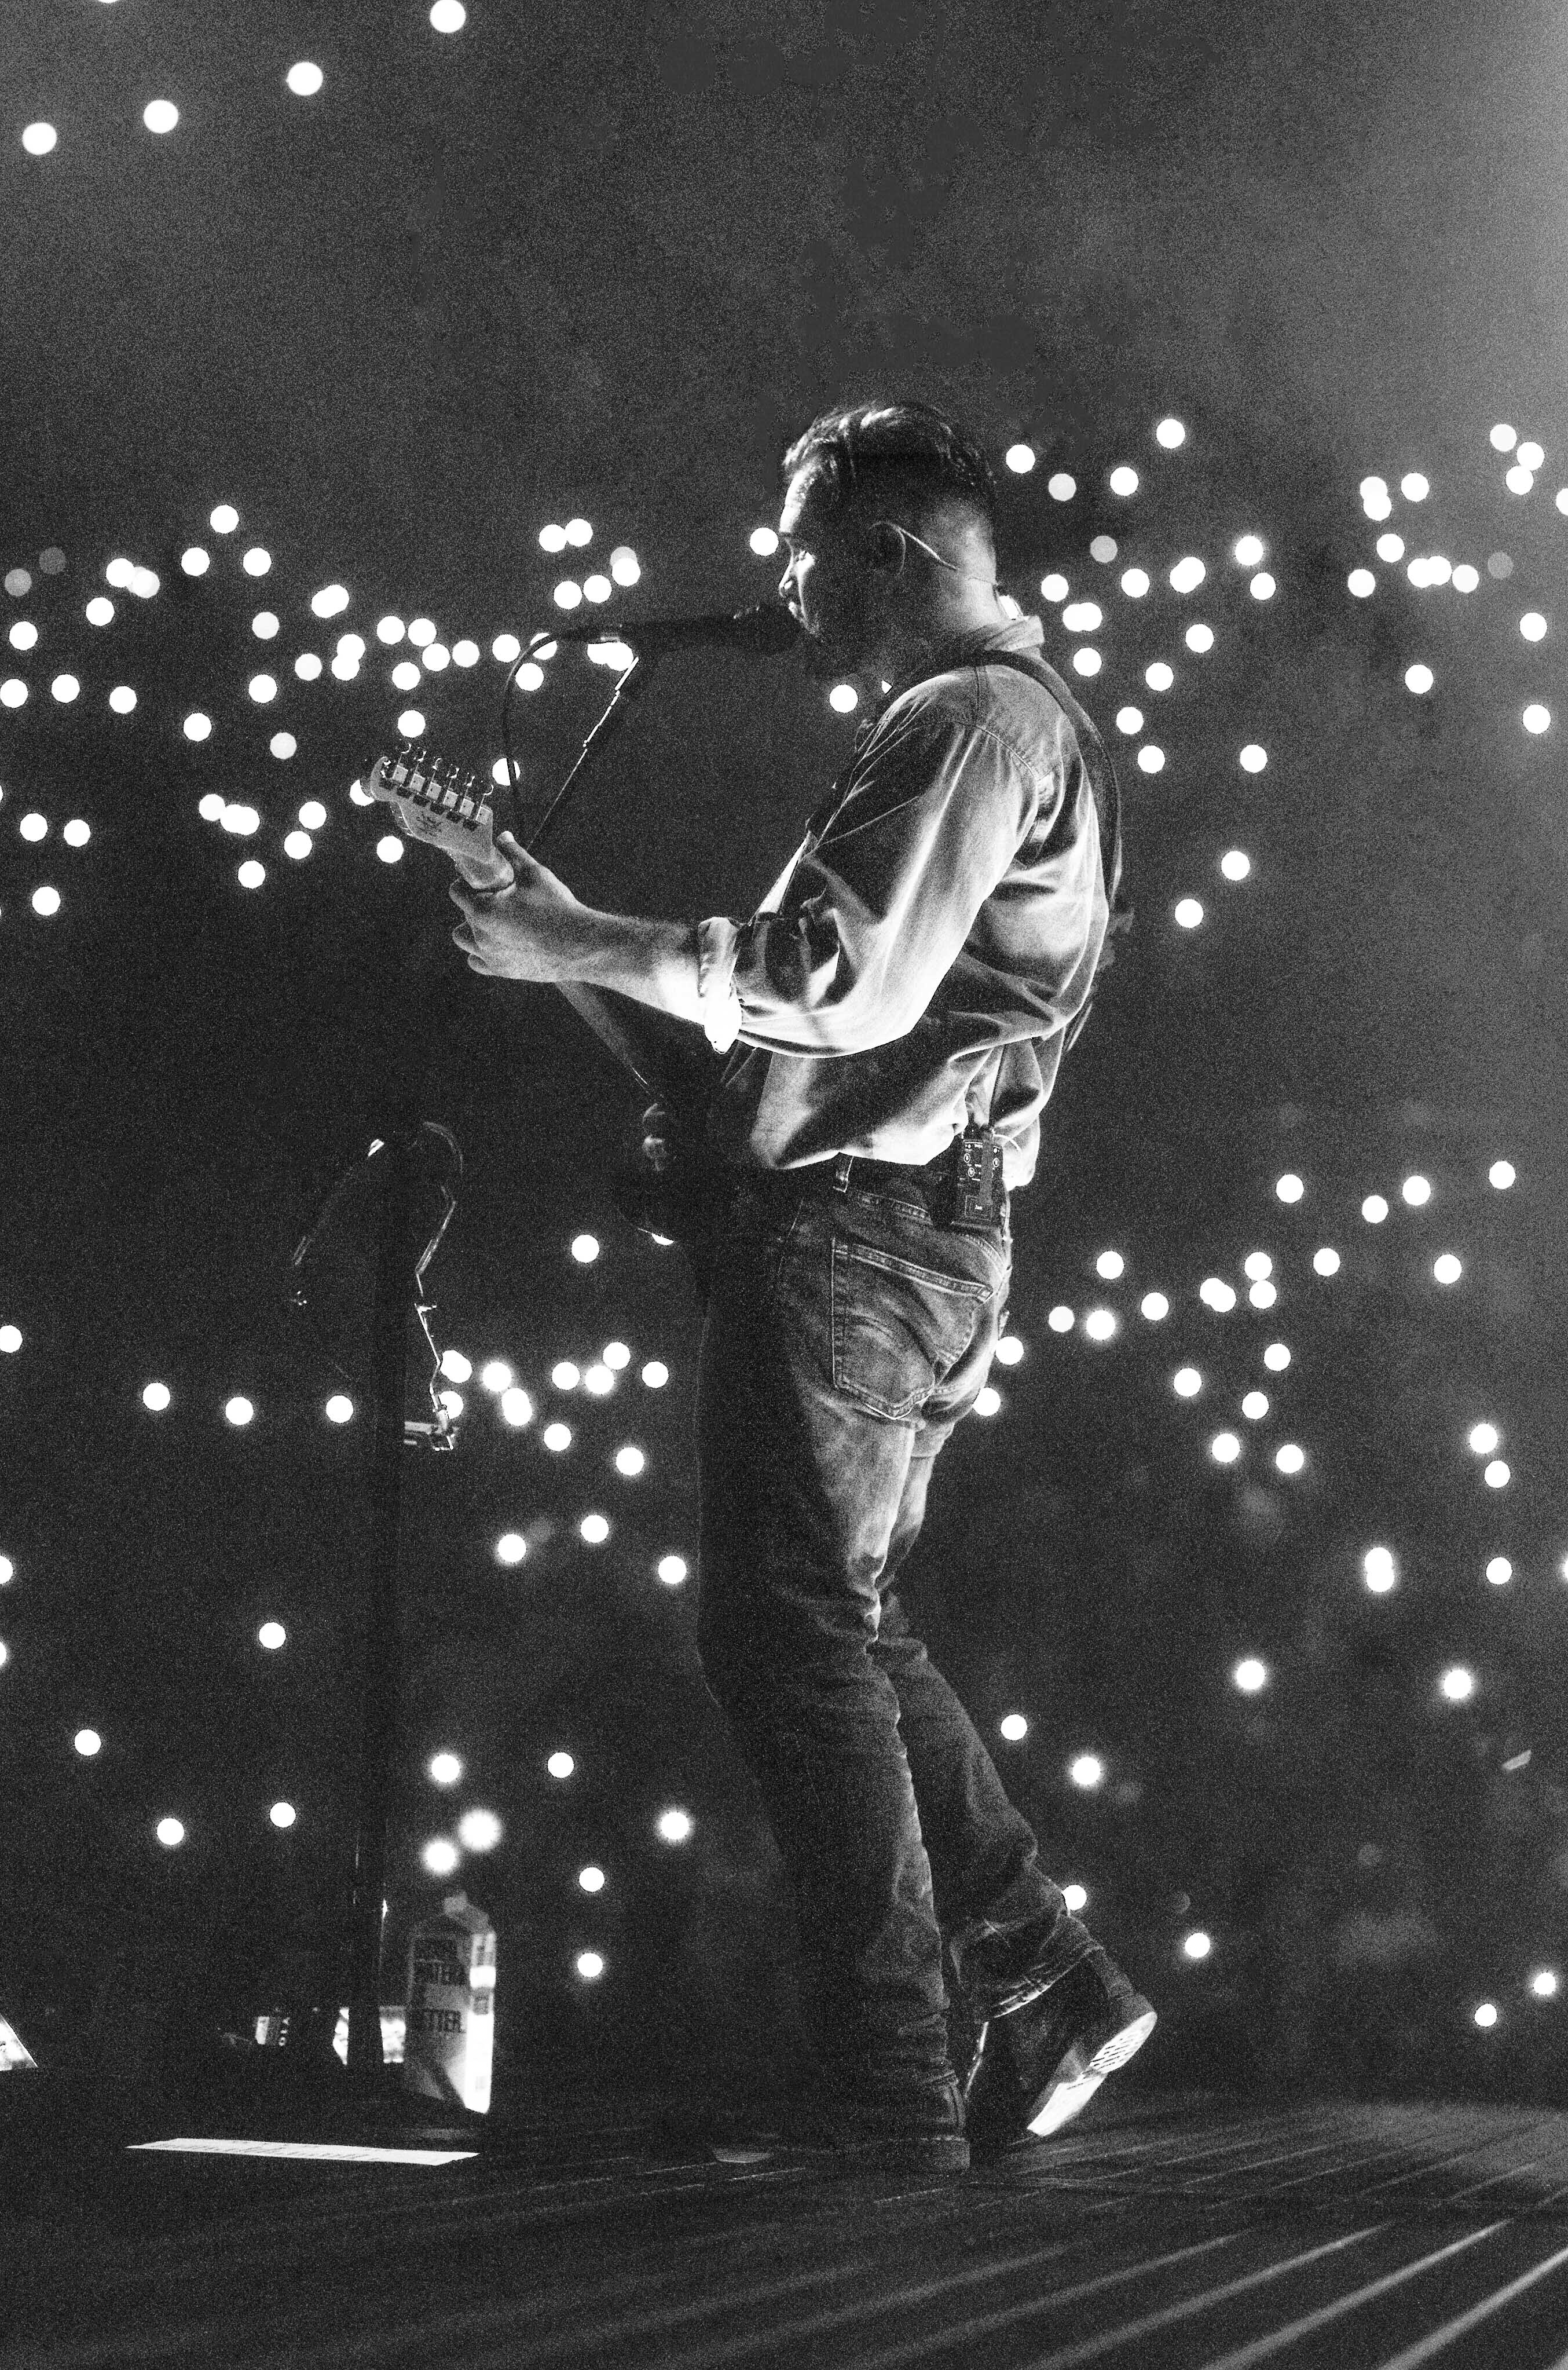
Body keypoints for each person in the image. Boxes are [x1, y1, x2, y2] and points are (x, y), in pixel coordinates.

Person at [446, 397, 1156, 2171]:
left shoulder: (973, 723)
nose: (783, 594)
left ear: (892, 555)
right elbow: (771, 1064)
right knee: (836, 1621)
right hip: (884, 1231)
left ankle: (888, 2080)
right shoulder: (975, 726)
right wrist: (559, 939)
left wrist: (579, 941)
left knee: (783, 1630)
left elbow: (834, 984)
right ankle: (1043, 1982)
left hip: (870, 1239)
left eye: (804, 556)